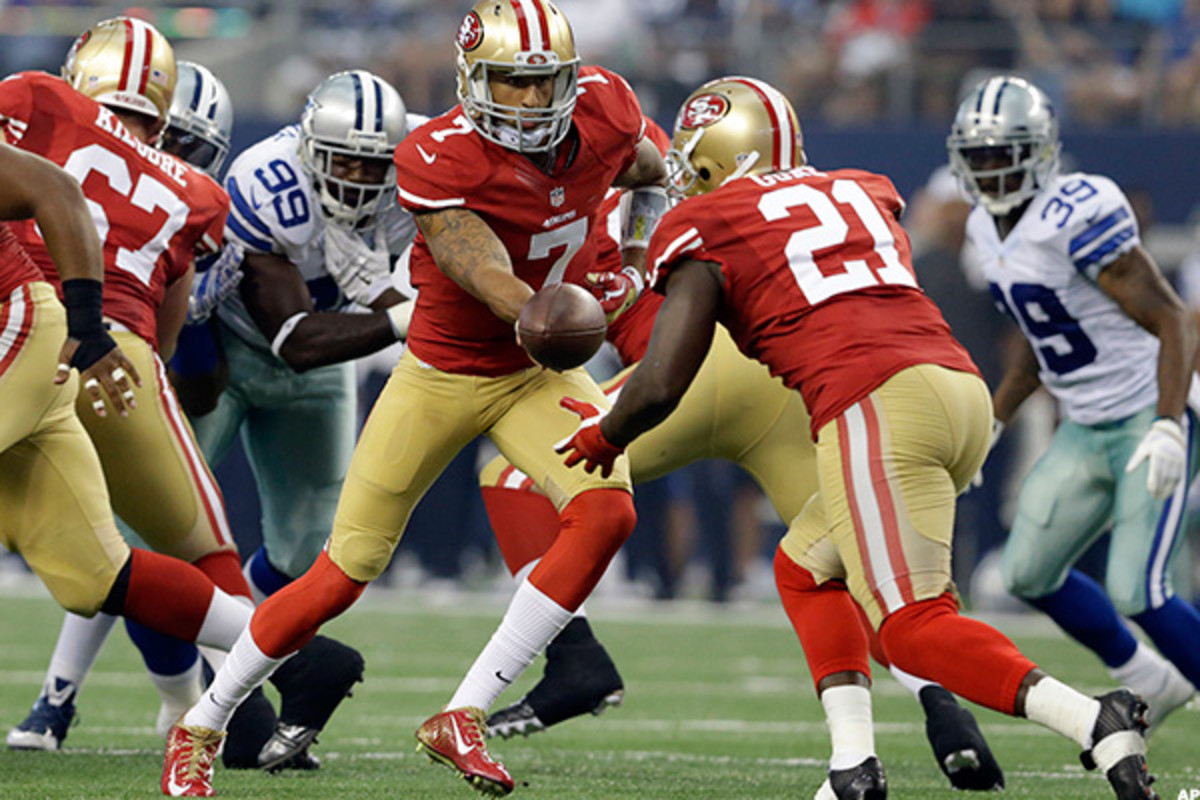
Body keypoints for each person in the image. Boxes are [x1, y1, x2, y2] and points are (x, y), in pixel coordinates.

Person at [556, 75, 1160, 800]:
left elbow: (660, 382)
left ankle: (1093, 719)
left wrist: (605, 437)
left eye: (693, 161)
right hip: (958, 390)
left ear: (720, 157)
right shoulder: (859, 189)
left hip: (875, 403)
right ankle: (853, 765)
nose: (684, 176)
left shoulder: (709, 220)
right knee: (804, 567)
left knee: (913, 626)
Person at [161, 1, 665, 795]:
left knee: (607, 513)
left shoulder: (606, 108)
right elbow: (483, 269)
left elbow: (652, 170)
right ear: (473, 81)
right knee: (341, 571)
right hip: (446, 371)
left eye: (545, 82)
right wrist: (555, 310)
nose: (533, 100)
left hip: (536, 372)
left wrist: (634, 259)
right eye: (512, 81)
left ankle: (463, 714)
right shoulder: (438, 155)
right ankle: (202, 724)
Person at [479, 121, 1005, 792]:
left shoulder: (573, 201)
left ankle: (574, 658)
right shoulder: (686, 166)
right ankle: (943, 709)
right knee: (845, 563)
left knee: (512, 476)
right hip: (779, 371)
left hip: (697, 370)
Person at [1, 20, 362, 771]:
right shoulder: (197, 191)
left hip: (35, 321)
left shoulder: (36, 99)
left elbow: (49, 190)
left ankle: (93, 703)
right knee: (156, 559)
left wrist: (83, 318)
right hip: (121, 359)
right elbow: (171, 334)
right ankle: (284, 674)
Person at [950, 75, 1199, 729]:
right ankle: (1151, 678)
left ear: (1039, 151)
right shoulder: (984, 228)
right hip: (1085, 424)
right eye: (977, 155)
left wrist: (1169, 424)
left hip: (1148, 410)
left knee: (1139, 590)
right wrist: (992, 421)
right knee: (1025, 573)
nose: (988, 169)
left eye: (1002, 153)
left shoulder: (1075, 213)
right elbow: (1040, 340)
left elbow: (1175, 319)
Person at [186, 69, 419, 608]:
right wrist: (407, 317)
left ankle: (244, 643)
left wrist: (388, 296)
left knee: (308, 546)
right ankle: (71, 674)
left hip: (326, 355)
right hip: (233, 347)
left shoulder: (421, 169)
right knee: (162, 523)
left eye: (373, 164)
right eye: (343, 161)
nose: (358, 179)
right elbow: (295, 339)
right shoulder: (269, 182)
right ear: (310, 149)